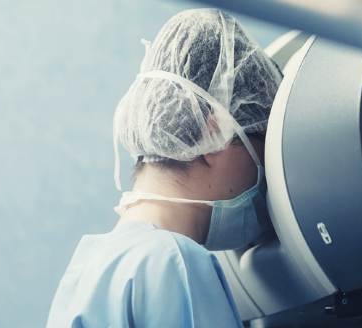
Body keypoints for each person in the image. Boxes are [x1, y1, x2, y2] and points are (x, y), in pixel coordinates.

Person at [46, 8, 282, 328]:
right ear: (213, 134)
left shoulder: (90, 265)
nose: (266, 172)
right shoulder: (175, 264)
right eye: (262, 144)